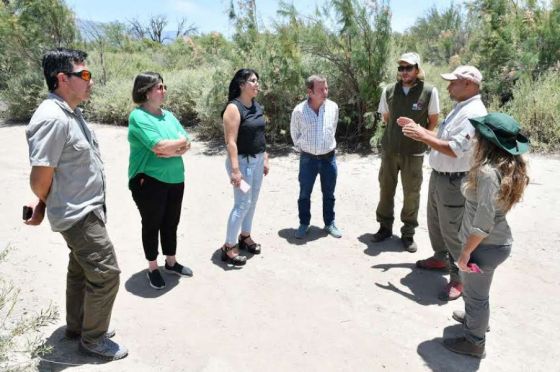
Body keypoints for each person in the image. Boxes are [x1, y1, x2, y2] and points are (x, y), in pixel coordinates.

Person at [24, 48, 127, 360]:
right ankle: (93, 339)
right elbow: (40, 177)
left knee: (81, 269)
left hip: (86, 206)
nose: (90, 81)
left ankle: (78, 326)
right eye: (83, 75)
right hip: (78, 213)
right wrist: (43, 202)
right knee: (106, 273)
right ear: (61, 79)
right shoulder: (53, 118)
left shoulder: (69, 111)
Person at [442, 112, 529, 358]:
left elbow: (483, 223)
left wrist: (466, 253)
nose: (474, 138)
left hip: (484, 245)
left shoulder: (488, 173)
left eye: (477, 135)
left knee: (476, 294)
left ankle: (474, 342)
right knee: (477, 291)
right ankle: (476, 320)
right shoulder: (506, 168)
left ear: (486, 141)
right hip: (495, 244)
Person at [399, 66, 487, 301]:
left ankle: (459, 278)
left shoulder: (474, 112)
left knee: (452, 230)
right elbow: (445, 137)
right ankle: (441, 258)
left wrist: (422, 135)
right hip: (441, 176)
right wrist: (420, 129)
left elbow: (454, 149)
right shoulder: (462, 107)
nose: (448, 86)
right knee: (435, 221)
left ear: (468, 84)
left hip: (455, 180)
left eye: (453, 82)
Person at [128, 72, 193, 290]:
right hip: (149, 180)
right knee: (152, 223)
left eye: (164, 87)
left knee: (171, 222)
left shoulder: (169, 116)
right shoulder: (138, 117)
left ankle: (171, 262)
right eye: (158, 87)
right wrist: (176, 146)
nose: (163, 91)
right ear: (146, 92)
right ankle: (153, 267)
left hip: (175, 177)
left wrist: (176, 148)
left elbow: (187, 142)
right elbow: (158, 146)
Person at [372, 52, 440, 252]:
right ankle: (384, 227)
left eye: (408, 68)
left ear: (417, 69)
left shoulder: (429, 91)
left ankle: (408, 233)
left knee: (411, 194)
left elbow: (433, 120)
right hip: (390, 149)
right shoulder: (389, 90)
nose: (404, 72)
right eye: (400, 68)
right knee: (386, 189)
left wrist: (419, 135)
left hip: (414, 152)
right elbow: (386, 117)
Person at [221, 68, 269, 265]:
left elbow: (260, 135)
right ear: (242, 85)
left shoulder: (256, 106)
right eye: (253, 81)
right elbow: (230, 142)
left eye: (257, 80)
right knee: (242, 203)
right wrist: (235, 170)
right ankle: (228, 247)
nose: (257, 84)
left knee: (252, 201)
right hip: (241, 163)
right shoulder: (234, 108)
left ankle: (245, 237)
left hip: (257, 162)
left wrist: (265, 157)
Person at [290, 75, 341, 239]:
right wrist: (306, 149)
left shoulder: (333, 107)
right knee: (304, 193)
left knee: (329, 193)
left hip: (329, 158)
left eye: (326, 88)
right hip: (308, 159)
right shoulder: (299, 111)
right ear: (309, 91)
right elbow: (295, 135)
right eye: (320, 89)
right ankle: (304, 223)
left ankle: (329, 223)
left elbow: (333, 128)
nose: (325, 92)